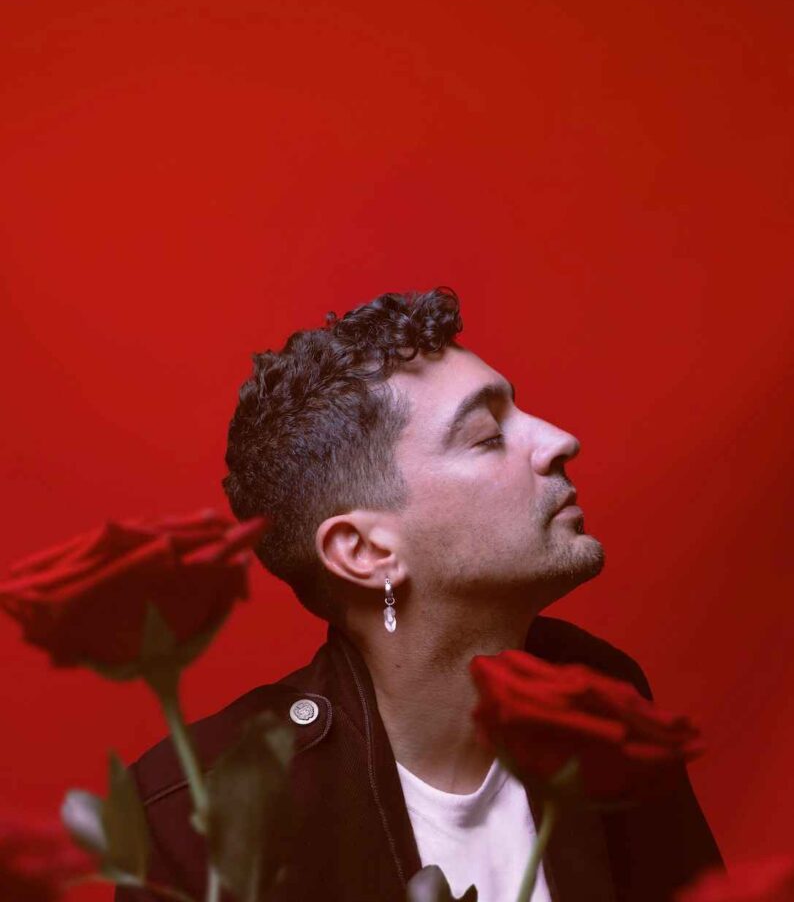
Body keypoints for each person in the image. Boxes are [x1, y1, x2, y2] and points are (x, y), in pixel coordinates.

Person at [117, 286, 724, 902]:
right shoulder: (198, 817)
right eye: (487, 436)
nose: (560, 440)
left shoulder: (600, 702)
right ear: (364, 551)